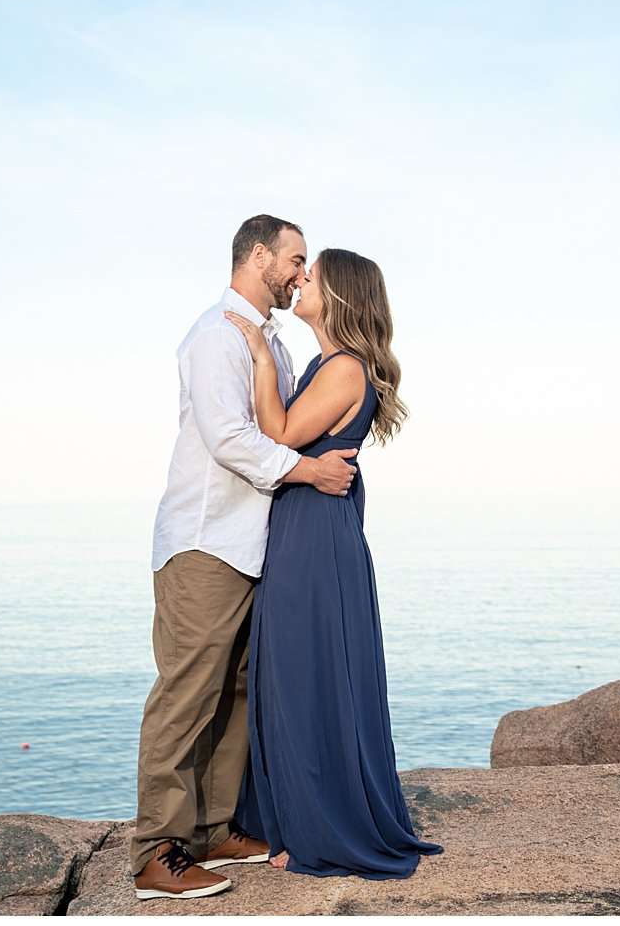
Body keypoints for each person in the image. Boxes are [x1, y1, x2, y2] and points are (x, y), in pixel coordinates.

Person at [130, 215, 361, 901]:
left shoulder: (270, 342)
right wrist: (307, 472)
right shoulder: (215, 334)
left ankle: (210, 826)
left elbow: (274, 420)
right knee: (186, 692)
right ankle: (155, 850)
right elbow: (230, 437)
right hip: (205, 540)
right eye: (293, 258)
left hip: (249, 545)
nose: (300, 271)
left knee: (233, 690)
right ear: (257, 255)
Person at [223, 247, 442, 879]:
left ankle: (320, 826)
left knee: (308, 674)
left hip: (316, 537)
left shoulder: (344, 367)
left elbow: (281, 434)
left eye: (311, 275)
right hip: (307, 525)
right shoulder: (330, 362)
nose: (301, 281)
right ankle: (292, 818)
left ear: (339, 295)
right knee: (294, 672)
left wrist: (260, 354)